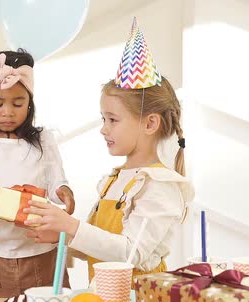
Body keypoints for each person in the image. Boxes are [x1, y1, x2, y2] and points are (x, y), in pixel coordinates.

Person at [23, 18, 194, 282]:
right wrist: (63, 238)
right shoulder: (116, 179)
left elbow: (130, 252)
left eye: (113, 120)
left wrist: (70, 226)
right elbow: (99, 246)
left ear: (150, 123)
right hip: (104, 298)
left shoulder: (160, 185)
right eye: (103, 119)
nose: (104, 129)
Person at [0, 49, 75, 297]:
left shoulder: (43, 141)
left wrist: (64, 191)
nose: (8, 111)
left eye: (18, 103)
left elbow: (55, 180)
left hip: (41, 256)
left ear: (29, 103)